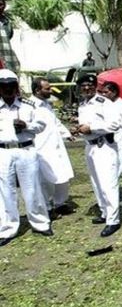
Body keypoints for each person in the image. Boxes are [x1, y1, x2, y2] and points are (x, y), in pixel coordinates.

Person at [0, 69, 51, 247]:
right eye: (4, 87)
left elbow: (41, 126)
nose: (8, 90)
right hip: (3, 151)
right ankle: (7, 228)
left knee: (32, 188)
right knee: (5, 191)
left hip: (25, 150)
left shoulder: (28, 105)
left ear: (16, 87)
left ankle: (40, 223)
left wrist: (26, 125)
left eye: (11, 86)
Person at [73, 74, 122, 237]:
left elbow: (115, 124)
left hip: (104, 146)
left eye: (89, 85)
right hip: (90, 147)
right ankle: (104, 213)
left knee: (108, 184)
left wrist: (92, 128)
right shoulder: (83, 104)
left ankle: (113, 220)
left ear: (95, 86)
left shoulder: (104, 103)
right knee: (97, 183)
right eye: (83, 86)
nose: (86, 88)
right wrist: (80, 128)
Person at [31, 77, 75, 218]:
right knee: (46, 179)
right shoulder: (30, 106)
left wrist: (67, 134)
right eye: (47, 88)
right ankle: (48, 207)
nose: (51, 91)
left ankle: (60, 203)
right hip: (42, 148)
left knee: (62, 176)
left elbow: (55, 122)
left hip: (56, 145)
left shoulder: (47, 104)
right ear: (37, 90)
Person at [100, 81, 122, 177]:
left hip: (120, 138)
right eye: (102, 92)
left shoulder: (121, 105)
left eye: (106, 92)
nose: (103, 95)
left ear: (114, 92)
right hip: (109, 139)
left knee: (120, 164)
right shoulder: (107, 104)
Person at [0, 0, 20, 72]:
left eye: (1, 4)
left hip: (7, 61)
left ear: (4, 6)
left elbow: (9, 39)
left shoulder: (7, 23)